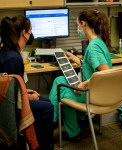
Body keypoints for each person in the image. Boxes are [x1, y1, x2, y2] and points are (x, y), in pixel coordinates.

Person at [49, 9, 112, 142]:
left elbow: (106, 74)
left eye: (78, 24)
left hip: (94, 95)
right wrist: (74, 58)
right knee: (60, 80)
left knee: (60, 90)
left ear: (83, 23)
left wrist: (83, 83)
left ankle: (50, 124)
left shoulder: (93, 47)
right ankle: (72, 130)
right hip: (101, 91)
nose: (77, 27)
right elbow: (90, 65)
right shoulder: (97, 42)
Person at [0, 16, 54, 150]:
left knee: (45, 101)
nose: (31, 34)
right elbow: (11, 94)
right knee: (48, 108)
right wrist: (27, 96)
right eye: (30, 30)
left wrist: (27, 92)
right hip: (10, 106)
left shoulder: (8, 52)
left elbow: (15, 86)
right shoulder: (13, 58)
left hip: (12, 98)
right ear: (24, 33)